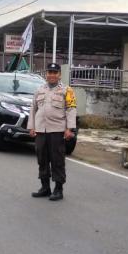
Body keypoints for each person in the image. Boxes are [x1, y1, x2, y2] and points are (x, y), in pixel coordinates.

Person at [28, 63, 77, 202]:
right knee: (42, 158)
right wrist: (31, 127)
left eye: (55, 72)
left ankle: (58, 189)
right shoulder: (39, 90)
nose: (52, 75)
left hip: (57, 130)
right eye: (49, 72)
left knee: (57, 160)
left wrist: (69, 128)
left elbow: (71, 109)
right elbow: (33, 109)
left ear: (59, 74)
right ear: (46, 74)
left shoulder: (67, 90)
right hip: (40, 130)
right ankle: (45, 187)